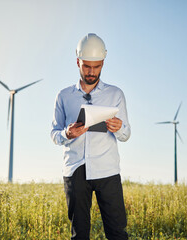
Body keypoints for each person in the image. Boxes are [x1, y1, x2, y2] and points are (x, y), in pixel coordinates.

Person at [51, 33, 131, 240]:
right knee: (79, 235)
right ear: (78, 61)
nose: (92, 72)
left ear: (103, 63)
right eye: (87, 66)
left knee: (117, 232)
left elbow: (126, 134)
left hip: (107, 170)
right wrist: (67, 133)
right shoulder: (64, 96)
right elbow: (54, 133)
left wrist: (119, 127)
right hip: (75, 169)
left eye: (97, 67)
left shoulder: (116, 94)